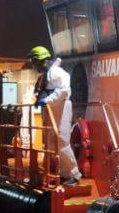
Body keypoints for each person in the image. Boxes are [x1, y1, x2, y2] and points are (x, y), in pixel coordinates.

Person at [29, 45, 81, 185]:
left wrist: (47, 100)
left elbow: (64, 91)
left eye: (35, 63)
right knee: (53, 144)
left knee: (62, 142)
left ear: (40, 60)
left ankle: (74, 175)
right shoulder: (47, 75)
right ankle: (64, 174)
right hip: (53, 110)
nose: (35, 67)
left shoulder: (57, 72)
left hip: (61, 108)